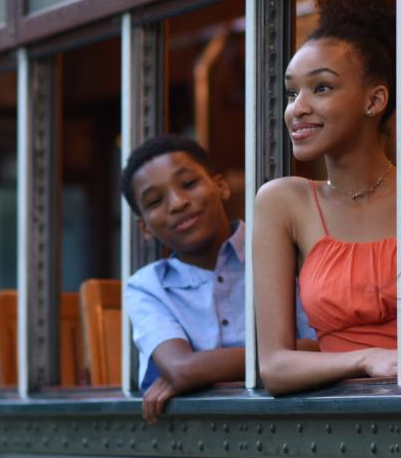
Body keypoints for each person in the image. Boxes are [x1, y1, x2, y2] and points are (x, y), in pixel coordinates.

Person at [253, 0, 401, 394]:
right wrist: (366, 359)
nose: (298, 109)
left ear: (375, 100)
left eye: (322, 88)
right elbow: (273, 366)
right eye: (292, 93)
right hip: (343, 414)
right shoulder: (283, 201)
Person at [121, 134, 314, 422]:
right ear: (145, 228)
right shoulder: (146, 287)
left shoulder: (285, 249)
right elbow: (181, 369)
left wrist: (199, 370)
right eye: (155, 201)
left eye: (188, 184)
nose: (177, 203)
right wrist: (284, 357)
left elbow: (324, 346)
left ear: (221, 186)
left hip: (298, 417)